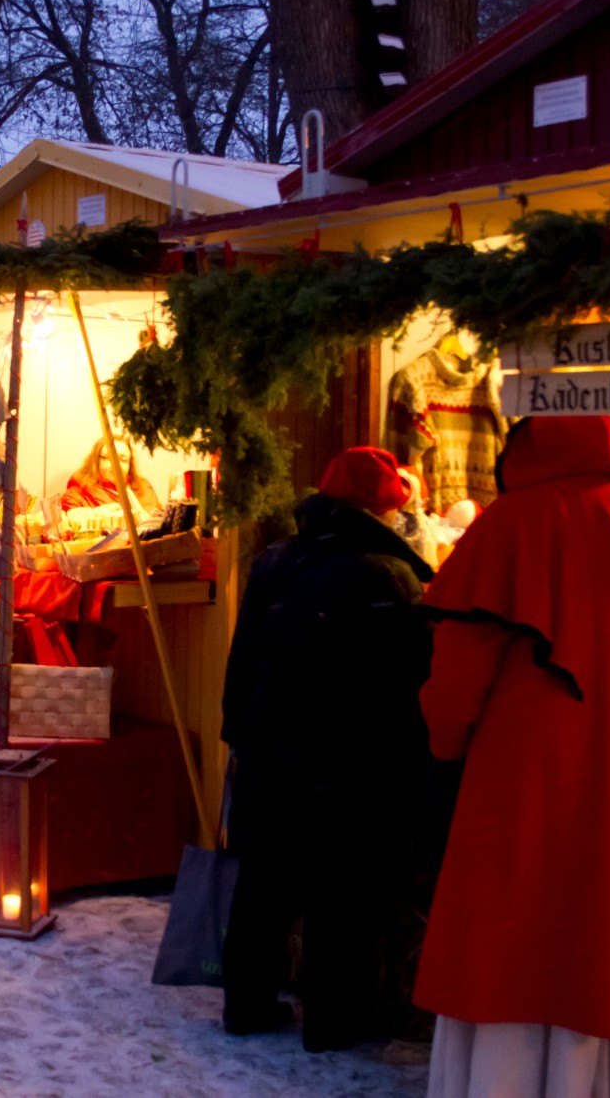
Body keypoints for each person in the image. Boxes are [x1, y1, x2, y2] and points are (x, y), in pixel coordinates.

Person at [416, 417, 610, 1098]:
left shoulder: (503, 527)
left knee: (504, 944)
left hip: (516, 779)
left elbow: (456, 676)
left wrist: (446, 746)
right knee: (605, 947)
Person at [220, 446, 437, 1051]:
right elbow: (406, 686)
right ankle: (335, 1023)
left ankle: (246, 1005)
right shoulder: (388, 574)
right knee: (341, 896)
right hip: (348, 759)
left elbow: (243, 660)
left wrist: (237, 736)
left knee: (263, 885)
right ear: (382, 507)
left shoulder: (275, 560)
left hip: (269, 749)